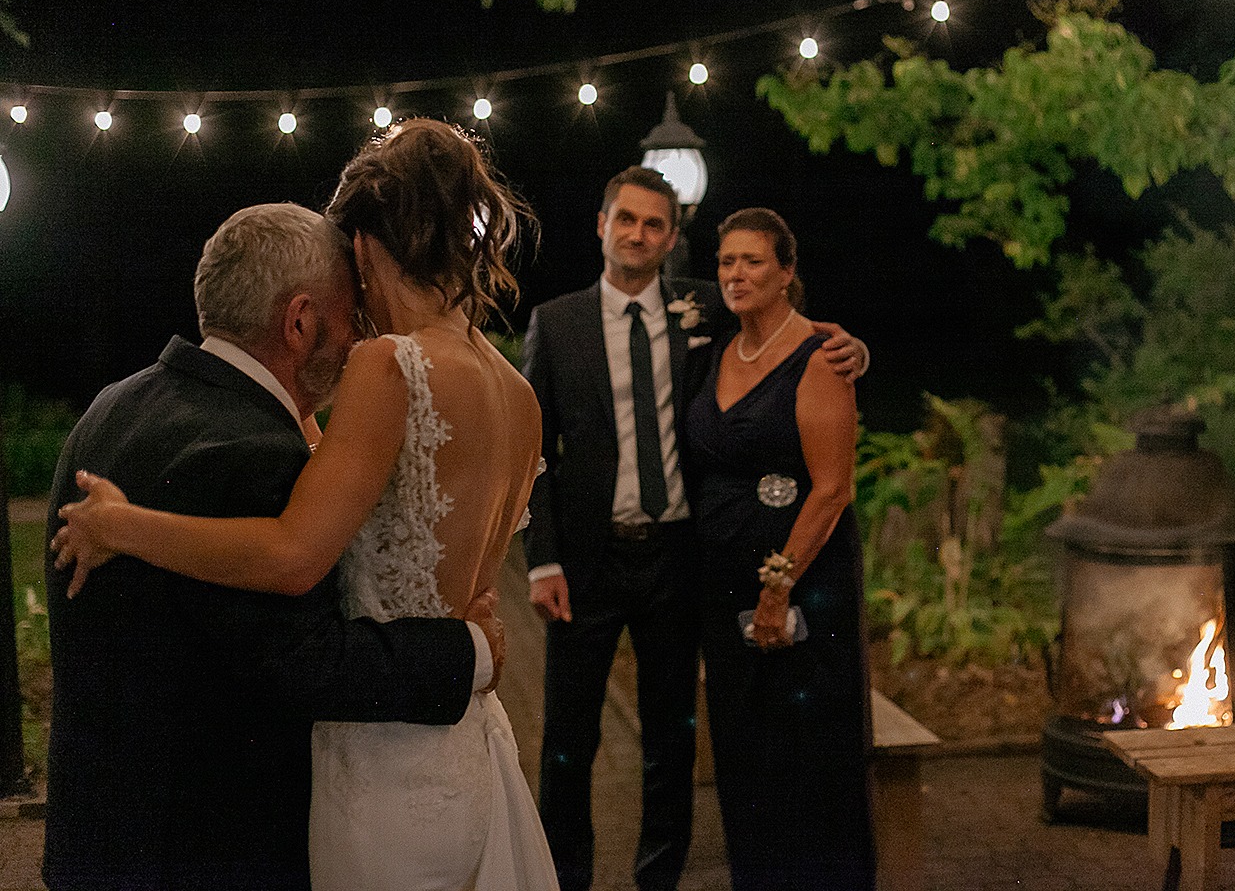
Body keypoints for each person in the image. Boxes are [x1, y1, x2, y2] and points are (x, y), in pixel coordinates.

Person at [52, 120, 558, 891]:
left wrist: (121, 525)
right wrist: (479, 649)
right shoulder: (517, 396)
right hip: (466, 749)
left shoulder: (386, 366)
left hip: (374, 771)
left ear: (362, 246)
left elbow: (293, 553)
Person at [522, 167, 867, 891]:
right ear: (601, 224)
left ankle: (659, 881)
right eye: (627, 220)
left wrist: (853, 348)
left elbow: (796, 332)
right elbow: (534, 453)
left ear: (671, 239)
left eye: (654, 225)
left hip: (680, 564)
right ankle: (565, 879)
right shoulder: (555, 324)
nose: (638, 235)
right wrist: (541, 560)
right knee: (566, 745)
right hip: (586, 565)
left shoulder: (704, 306)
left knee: (671, 743)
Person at [683, 207, 875, 891]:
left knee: (809, 753)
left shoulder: (821, 357)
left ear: (787, 272)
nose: (736, 273)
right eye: (727, 261)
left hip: (802, 587)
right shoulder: (713, 350)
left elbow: (831, 489)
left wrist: (778, 586)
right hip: (722, 588)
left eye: (753, 261)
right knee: (744, 752)